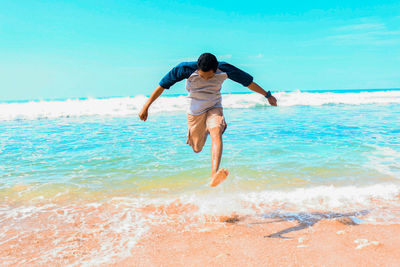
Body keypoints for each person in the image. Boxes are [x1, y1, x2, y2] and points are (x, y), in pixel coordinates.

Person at [139, 53, 277, 187]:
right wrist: (146, 107)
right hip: (195, 112)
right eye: (202, 75)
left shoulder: (225, 69)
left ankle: (214, 174)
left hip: (214, 106)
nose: (205, 79)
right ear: (197, 68)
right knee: (197, 148)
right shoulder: (184, 69)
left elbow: (249, 83)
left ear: (215, 69)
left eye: (209, 76)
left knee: (216, 133)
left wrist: (267, 95)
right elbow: (162, 86)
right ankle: (202, 131)